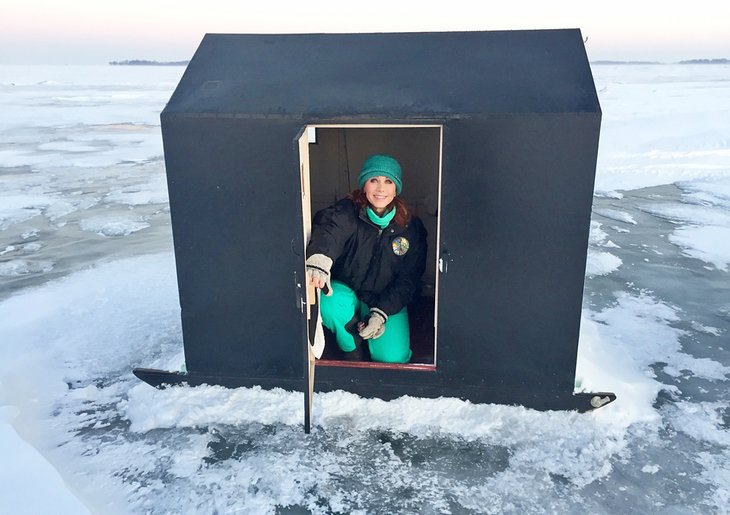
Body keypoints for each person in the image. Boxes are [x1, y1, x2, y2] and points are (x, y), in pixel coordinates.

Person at [305, 154, 427, 363]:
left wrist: (380, 314)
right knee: (328, 299)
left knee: (393, 359)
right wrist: (319, 258)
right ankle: (351, 345)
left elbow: (409, 279)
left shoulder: (410, 227)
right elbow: (330, 231)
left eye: (388, 181)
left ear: (396, 188)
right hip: (348, 292)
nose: (381, 189)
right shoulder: (347, 211)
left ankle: (373, 326)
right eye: (374, 180)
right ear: (364, 185)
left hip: (385, 300)